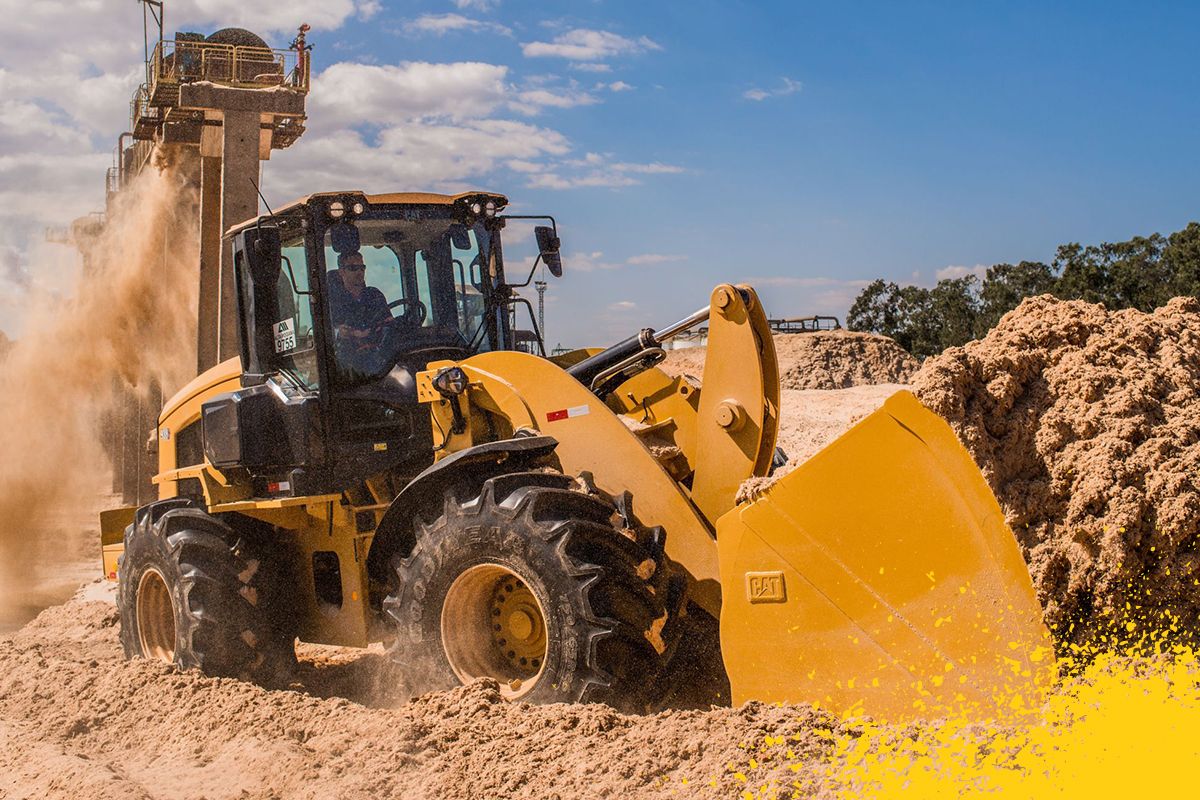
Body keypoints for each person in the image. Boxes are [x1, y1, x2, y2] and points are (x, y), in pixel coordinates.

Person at [327, 251, 391, 352]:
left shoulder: (374, 295)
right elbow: (327, 333)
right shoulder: (332, 301)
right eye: (353, 268)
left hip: (379, 351)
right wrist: (341, 332)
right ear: (341, 272)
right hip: (347, 354)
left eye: (362, 268)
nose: (359, 272)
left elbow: (388, 321)